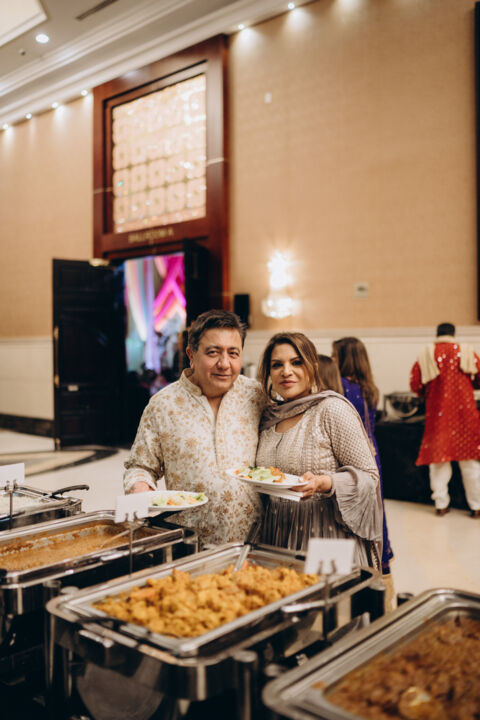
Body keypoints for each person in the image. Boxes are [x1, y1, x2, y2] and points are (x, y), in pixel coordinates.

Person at [123, 309, 266, 546]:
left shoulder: (257, 396)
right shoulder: (163, 405)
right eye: (213, 352)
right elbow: (139, 466)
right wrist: (140, 488)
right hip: (189, 544)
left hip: (253, 542)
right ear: (191, 354)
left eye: (233, 353)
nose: (224, 364)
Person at [256, 332, 383, 569]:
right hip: (277, 536)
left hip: (326, 537)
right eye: (277, 365)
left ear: (313, 367)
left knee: (324, 594)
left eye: (296, 362)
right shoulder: (269, 418)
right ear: (268, 373)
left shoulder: (331, 410)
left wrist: (326, 482)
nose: (286, 371)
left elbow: (369, 477)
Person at [332, 337, 394, 575]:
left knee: (350, 509)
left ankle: (354, 566)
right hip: (372, 452)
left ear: (345, 359)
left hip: (352, 454)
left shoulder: (341, 386)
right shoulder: (369, 388)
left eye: (335, 355)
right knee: (374, 506)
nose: (333, 360)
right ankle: (379, 560)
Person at [410, 322, 480, 518]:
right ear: (453, 334)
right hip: (465, 417)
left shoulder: (427, 353)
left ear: (437, 334)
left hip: (438, 417)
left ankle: (441, 504)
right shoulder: (466, 351)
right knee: (470, 463)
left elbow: (416, 384)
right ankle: (476, 506)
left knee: (438, 462)